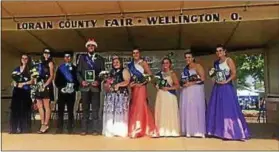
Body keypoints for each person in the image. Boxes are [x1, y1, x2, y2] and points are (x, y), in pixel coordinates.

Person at [206, 44, 250, 140]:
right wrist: (214, 79)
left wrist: (227, 81)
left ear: (224, 51)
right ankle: (217, 131)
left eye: (220, 50)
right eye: (217, 51)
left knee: (228, 108)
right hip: (217, 87)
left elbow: (234, 73)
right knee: (217, 107)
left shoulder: (228, 60)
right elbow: (214, 74)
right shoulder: (216, 62)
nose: (218, 53)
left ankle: (231, 132)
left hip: (226, 86)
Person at [127, 48, 159, 138]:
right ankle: (135, 128)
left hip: (141, 88)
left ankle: (146, 128)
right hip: (134, 88)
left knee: (141, 105)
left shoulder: (143, 63)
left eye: (137, 53)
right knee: (134, 106)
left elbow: (150, 75)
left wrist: (143, 83)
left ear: (139, 54)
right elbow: (129, 77)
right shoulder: (130, 65)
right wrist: (131, 84)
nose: (135, 54)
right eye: (133, 53)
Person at [76, 39, 105, 135]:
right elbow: (78, 72)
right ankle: (84, 129)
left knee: (95, 109)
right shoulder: (82, 58)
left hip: (95, 88)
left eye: (92, 46)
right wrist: (82, 81)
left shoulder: (100, 59)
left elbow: (103, 73)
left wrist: (98, 81)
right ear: (87, 47)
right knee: (85, 109)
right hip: (85, 87)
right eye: (89, 46)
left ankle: (95, 130)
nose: (91, 47)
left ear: (95, 47)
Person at [102, 56, 131, 137]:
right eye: (114, 62)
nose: (115, 64)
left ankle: (119, 131)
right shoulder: (110, 72)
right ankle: (110, 130)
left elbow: (127, 81)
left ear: (121, 63)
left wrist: (118, 85)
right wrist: (107, 85)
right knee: (111, 113)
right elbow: (107, 82)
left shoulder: (124, 70)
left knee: (120, 113)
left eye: (117, 62)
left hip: (121, 95)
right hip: (111, 95)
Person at [180, 52, 206, 138]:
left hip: (196, 90)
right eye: (186, 57)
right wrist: (183, 84)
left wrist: (191, 83)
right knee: (188, 109)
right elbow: (183, 79)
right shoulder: (185, 68)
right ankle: (189, 130)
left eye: (189, 57)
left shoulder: (198, 66)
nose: (187, 59)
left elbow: (202, 78)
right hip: (186, 91)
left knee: (196, 108)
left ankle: (198, 131)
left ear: (193, 58)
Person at [154, 58, 180, 137]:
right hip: (161, 95)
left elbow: (177, 85)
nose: (165, 64)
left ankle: (171, 130)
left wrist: (168, 88)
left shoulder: (172, 74)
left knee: (169, 112)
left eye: (167, 63)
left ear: (170, 64)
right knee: (161, 112)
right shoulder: (158, 74)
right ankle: (161, 130)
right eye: (164, 63)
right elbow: (155, 84)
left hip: (169, 95)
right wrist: (157, 86)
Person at [54, 52, 79, 134]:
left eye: (69, 57)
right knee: (60, 110)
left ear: (71, 58)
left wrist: (74, 88)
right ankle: (59, 128)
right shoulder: (60, 68)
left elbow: (77, 80)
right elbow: (56, 80)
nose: (67, 58)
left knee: (70, 111)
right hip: (62, 92)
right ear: (64, 58)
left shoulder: (75, 68)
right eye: (66, 57)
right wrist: (61, 88)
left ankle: (70, 128)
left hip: (71, 93)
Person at [9, 54, 33, 134]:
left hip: (25, 92)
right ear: (21, 59)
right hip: (17, 92)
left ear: (28, 60)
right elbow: (13, 79)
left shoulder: (30, 69)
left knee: (24, 110)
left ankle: (24, 128)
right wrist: (14, 83)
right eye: (22, 58)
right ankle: (14, 128)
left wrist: (24, 83)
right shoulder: (17, 69)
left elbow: (32, 81)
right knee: (15, 110)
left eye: (26, 58)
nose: (24, 60)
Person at [35, 48, 55, 134]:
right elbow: (35, 74)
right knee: (39, 106)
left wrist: (45, 84)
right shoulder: (39, 63)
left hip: (46, 85)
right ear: (43, 54)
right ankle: (42, 123)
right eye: (45, 53)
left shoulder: (50, 63)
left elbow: (51, 76)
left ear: (50, 54)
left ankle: (46, 124)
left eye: (48, 53)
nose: (46, 54)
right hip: (39, 85)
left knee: (46, 106)